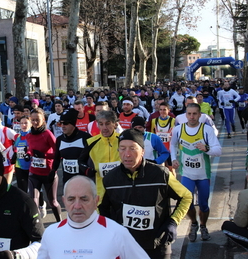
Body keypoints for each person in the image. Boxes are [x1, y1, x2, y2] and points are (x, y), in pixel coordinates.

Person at [99, 129, 192, 258]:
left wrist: (173, 222)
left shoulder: (161, 174)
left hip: (157, 245)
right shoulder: (110, 179)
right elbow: (101, 208)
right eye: (122, 148)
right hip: (125, 246)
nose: (127, 154)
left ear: (143, 151)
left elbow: (186, 196)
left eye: (132, 148)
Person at [38, 175, 149, 259]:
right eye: (71, 199)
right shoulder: (51, 234)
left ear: (96, 201)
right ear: (63, 201)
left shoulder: (117, 233)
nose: (77, 206)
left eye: (84, 199)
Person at [171, 103, 222, 242]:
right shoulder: (178, 129)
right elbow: (173, 144)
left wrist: (206, 149)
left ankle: (203, 226)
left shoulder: (206, 130)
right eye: (189, 114)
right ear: (185, 115)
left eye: (195, 114)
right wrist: (174, 159)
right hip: (187, 174)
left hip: (203, 175)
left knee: (204, 204)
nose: (192, 117)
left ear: (200, 115)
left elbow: (218, 150)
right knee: (187, 203)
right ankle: (194, 224)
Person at [26, 108, 62, 222]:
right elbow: (30, 150)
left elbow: (59, 154)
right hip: (34, 173)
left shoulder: (47, 134)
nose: (35, 123)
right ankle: (37, 226)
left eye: (38, 120)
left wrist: (44, 155)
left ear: (43, 120)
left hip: (48, 173)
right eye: (33, 120)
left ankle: (59, 223)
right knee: (33, 201)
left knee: (53, 202)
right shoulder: (29, 135)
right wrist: (28, 154)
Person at [78, 110, 121, 203]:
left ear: (114, 124)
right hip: (100, 192)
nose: (104, 127)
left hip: (120, 190)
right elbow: (81, 161)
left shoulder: (123, 140)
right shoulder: (91, 142)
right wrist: (87, 170)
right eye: (101, 124)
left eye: (108, 123)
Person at [52, 109, 91, 185]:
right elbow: (57, 157)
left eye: (65, 123)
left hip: (84, 181)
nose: (62, 126)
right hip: (68, 181)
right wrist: (53, 170)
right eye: (60, 123)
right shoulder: (59, 139)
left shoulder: (85, 137)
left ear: (73, 124)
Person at [0, 111, 16, 184]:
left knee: (6, 187)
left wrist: (15, 152)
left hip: (7, 164)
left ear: (1, 119)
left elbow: (20, 140)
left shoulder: (7, 130)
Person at [13, 116, 32, 192]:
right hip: (19, 165)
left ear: (30, 124)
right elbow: (15, 148)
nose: (23, 125)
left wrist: (29, 152)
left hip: (31, 166)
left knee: (34, 189)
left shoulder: (33, 136)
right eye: (21, 123)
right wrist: (14, 155)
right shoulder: (17, 136)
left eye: (26, 123)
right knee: (22, 189)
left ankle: (40, 203)